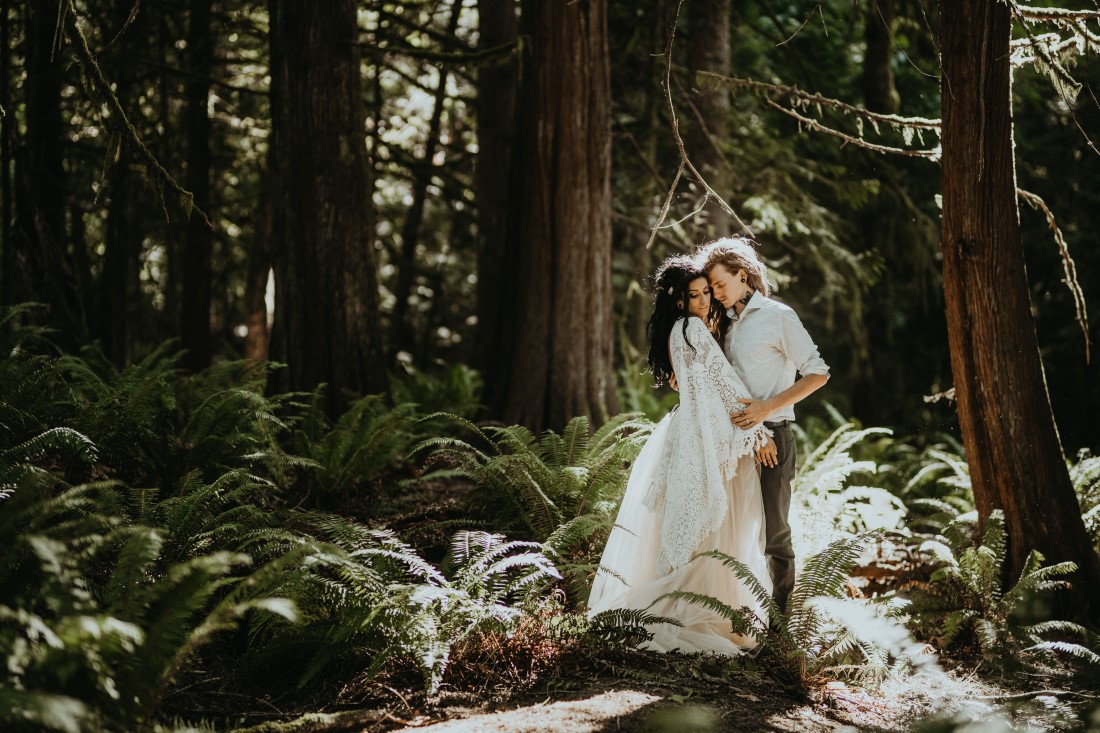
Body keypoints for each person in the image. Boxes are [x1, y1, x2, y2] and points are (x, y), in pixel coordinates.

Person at [587, 256, 774, 656]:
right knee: (712, 525)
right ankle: (697, 611)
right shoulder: (691, 328)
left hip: (688, 429)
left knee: (700, 524)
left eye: (707, 292)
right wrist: (757, 431)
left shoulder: (679, 331)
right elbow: (726, 383)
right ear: (679, 301)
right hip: (700, 434)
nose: (705, 300)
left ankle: (704, 608)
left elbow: (700, 381)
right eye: (695, 295)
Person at [699, 237, 830, 614]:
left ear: (744, 276)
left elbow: (818, 373)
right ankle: (731, 613)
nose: (717, 293)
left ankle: (780, 625)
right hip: (729, 441)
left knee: (774, 533)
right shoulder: (722, 324)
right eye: (711, 288)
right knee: (728, 533)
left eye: (721, 284)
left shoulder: (778, 316)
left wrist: (766, 409)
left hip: (774, 436)